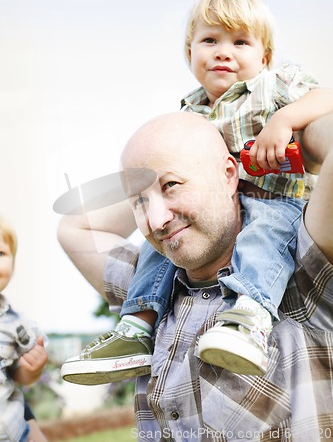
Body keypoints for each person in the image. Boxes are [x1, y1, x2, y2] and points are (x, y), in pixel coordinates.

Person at [60, 0, 333, 385]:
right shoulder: (191, 112)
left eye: (240, 41)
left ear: (265, 58)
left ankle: (250, 316)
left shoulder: (272, 87)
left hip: (277, 203)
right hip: (220, 208)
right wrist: (156, 192)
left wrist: (287, 121)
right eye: (210, 40)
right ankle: (137, 327)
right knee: (160, 241)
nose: (223, 52)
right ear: (189, 54)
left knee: (263, 237)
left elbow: (326, 98)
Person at [58, 111, 333, 439]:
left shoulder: (299, 266)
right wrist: (144, 176)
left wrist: (276, 139)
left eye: (172, 185)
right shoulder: (148, 292)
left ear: (229, 174)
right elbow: (73, 226)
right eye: (140, 202)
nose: (156, 221)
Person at [0, 216, 48, 442]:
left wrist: (31, 369)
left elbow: (16, 375)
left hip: (15, 432)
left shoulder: (17, 325)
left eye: (0, 254)